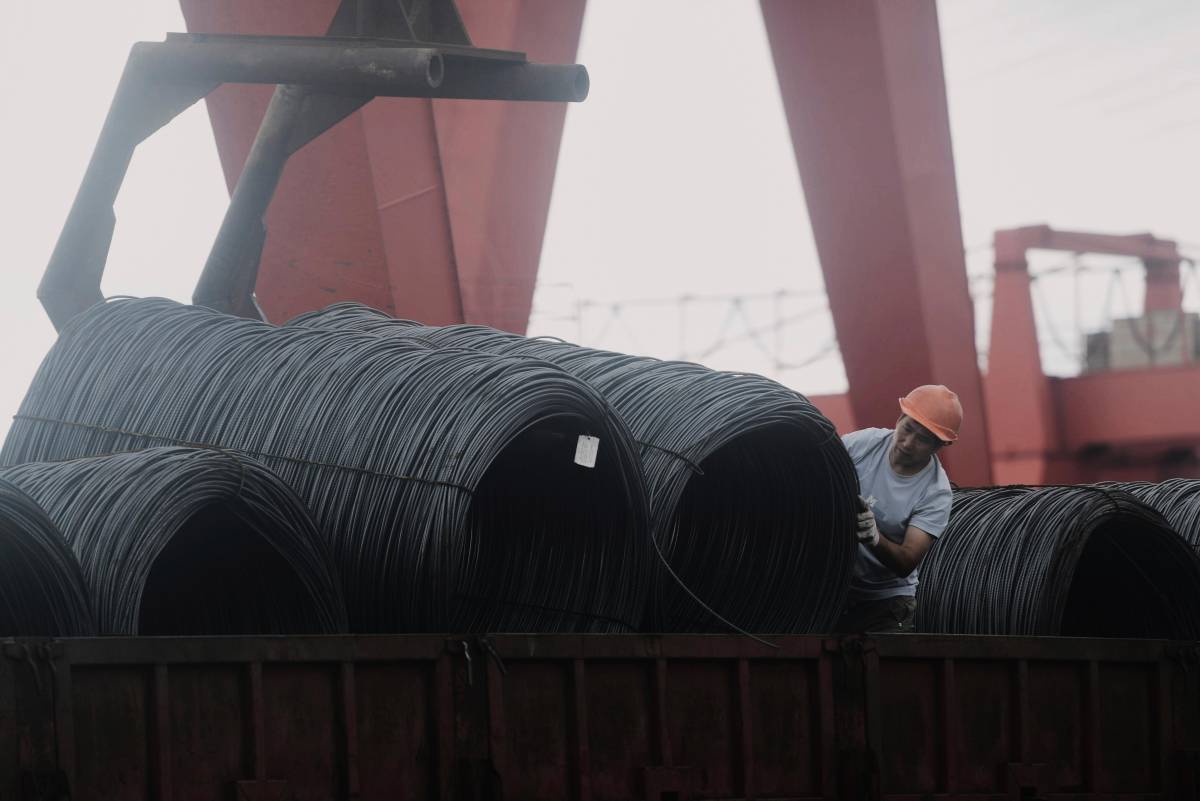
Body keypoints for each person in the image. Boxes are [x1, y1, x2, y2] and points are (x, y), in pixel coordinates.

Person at [835, 384, 960, 633]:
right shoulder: (863, 444)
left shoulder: (936, 493)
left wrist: (874, 537)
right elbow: (818, 473)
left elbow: (906, 561)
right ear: (899, 418)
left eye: (923, 439)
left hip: (885, 604)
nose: (908, 442)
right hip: (835, 588)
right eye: (908, 428)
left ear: (940, 446)